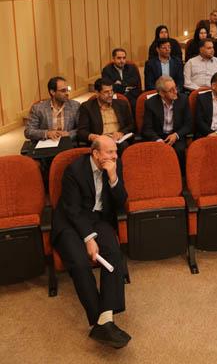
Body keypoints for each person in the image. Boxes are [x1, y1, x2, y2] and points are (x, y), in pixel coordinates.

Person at [51, 135, 130, 348]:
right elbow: (73, 210)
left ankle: (106, 318)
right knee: (79, 262)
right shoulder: (74, 170)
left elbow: (121, 202)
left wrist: (113, 178)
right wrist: (89, 238)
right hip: (69, 221)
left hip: (97, 218)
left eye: (115, 151)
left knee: (113, 252)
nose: (115, 156)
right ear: (95, 153)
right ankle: (98, 320)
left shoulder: (114, 165)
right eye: (110, 152)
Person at [142, 76, 191, 174]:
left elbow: (188, 124)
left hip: (176, 135)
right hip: (158, 136)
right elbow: (147, 128)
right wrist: (158, 140)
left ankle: (180, 176)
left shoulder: (183, 100)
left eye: (175, 88)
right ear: (161, 93)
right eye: (171, 90)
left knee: (179, 150)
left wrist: (176, 135)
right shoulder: (150, 103)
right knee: (156, 152)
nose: (175, 92)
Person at [77, 78, 134, 149]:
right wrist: (92, 137)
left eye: (111, 91)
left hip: (118, 141)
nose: (110, 94)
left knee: (123, 145)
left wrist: (121, 133)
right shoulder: (87, 107)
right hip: (100, 142)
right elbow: (81, 131)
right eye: (106, 92)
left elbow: (131, 125)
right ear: (97, 93)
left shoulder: (122, 104)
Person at [24, 76, 80, 142]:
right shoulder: (38, 108)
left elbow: (82, 129)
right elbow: (28, 131)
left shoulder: (75, 106)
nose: (67, 93)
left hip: (68, 143)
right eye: (63, 91)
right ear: (52, 92)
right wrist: (47, 133)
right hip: (46, 143)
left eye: (68, 90)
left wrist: (69, 134)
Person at [101, 48, 141, 112]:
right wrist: (126, 87)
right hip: (116, 96)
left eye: (124, 58)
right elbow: (109, 86)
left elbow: (135, 81)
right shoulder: (107, 70)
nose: (122, 61)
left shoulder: (132, 67)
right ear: (113, 59)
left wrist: (121, 83)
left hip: (132, 95)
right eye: (119, 58)